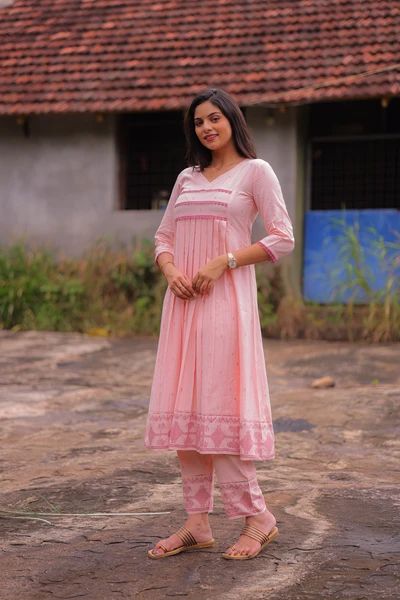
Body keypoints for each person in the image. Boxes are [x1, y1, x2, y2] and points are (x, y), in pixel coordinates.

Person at [145, 88, 295, 560]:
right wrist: (171, 270)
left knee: (220, 408)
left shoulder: (256, 171)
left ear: (232, 119)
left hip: (226, 305)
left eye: (214, 118)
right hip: (182, 306)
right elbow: (164, 236)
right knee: (186, 411)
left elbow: (283, 238)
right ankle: (197, 523)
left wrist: (223, 262)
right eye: (198, 122)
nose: (206, 128)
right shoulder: (187, 177)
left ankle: (258, 518)